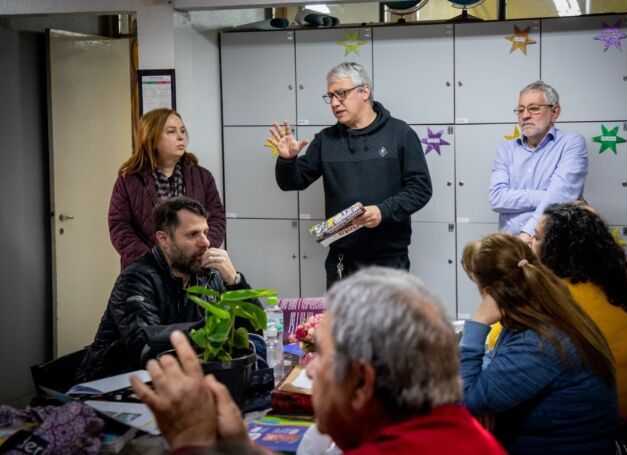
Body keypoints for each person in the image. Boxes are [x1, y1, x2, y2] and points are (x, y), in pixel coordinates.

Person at [131, 268, 508, 455]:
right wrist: (241, 447)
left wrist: (192, 441)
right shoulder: (447, 430)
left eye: (322, 354)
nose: (308, 368)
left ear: (362, 383)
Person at [271, 62, 432, 288]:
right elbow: (292, 182)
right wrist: (287, 160)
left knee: (389, 324)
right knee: (341, 324)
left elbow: (420, 188)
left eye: (342, 94)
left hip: (389, 261)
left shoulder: (400, 133)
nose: (335, 103)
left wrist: (383, 211)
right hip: (342, 260)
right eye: (330, 96)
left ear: (364, 91)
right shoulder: (326, 140)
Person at [460, 233, 618, 455]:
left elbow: (462, 407)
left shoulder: (537, 342)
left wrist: (478, 322)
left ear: (488, 293)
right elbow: (493, 361)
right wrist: (480, 396)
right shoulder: (543, 314)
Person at [76, 197, 256, 383]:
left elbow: (252, 334)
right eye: (193, 234)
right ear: (164, 240)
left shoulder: (207, 275)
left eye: (205, 232)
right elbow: (145, 345)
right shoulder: (136, 278)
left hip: (180, 381)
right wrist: (208, 329)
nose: (206, 243)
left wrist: (234, 281)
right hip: (114, 385)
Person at [532, 202, 627, 418]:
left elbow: (498, 346)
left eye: (536, 237)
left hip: (602, 423)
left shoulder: (554, 296)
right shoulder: (614, 287)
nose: (529, 244)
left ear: (555, 247)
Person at [109, 108, 225, 269]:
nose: (180, 136)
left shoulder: (202, 177)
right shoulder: (128, 180)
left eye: (182, 131)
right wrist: (153, 259)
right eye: (171, 131)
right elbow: (119, 227)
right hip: (145, 270)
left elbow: (217, 218)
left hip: (194, 266)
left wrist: (201, 248)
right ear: (152, 139)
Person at [489, 81, 587, 242]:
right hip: (511, 246)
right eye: (520, 110)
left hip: (554, 244)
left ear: (554, 112)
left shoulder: (571, 143)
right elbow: (496, 198)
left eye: (533, 109)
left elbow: (562, 195)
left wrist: (527, 234)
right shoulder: (505, 150)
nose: (525, 115)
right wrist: (551, 196)